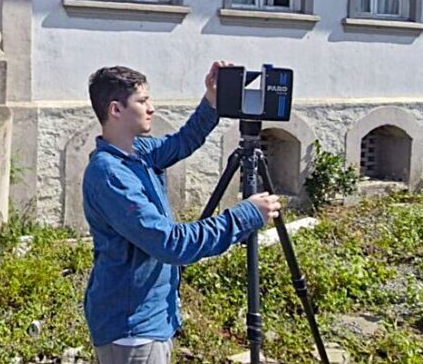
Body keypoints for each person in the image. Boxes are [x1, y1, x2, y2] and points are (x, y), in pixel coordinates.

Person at [82, 62, 281, 364]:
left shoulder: (138, 152)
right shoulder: (110, 175)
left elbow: (182, 142)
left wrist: (212, 100)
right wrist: (245, 215)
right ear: (115, 110)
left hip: (151, 319)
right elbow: (171, 243)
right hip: (132, 330)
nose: (152, 108)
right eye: (142, 101)